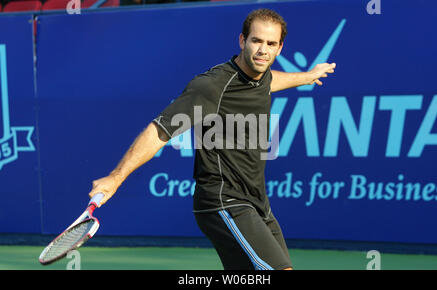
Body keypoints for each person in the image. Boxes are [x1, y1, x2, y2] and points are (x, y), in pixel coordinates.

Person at [89, 8, 336, 270]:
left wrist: (307, 76)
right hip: (223, 200)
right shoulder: (211, 86)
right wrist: (116, 177)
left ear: (279, 48)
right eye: (257, 41)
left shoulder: (261, 76)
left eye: (271, 43)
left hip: (256, 203)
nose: (263, 50)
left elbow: (271, 80)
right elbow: (160, 131)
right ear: (242, 41)